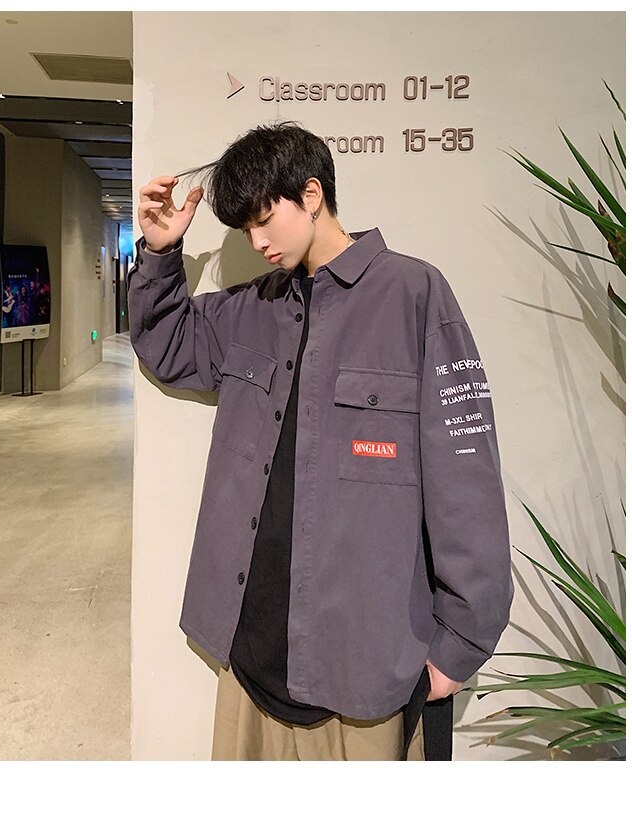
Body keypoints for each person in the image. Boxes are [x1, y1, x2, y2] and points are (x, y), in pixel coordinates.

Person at [126, 121, 514, 760]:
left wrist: (461, 643)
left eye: (263, 220)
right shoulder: (252, 308)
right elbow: (167, 344)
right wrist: (161, 252)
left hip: (361, 668)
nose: (257, 242)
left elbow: (465, 478)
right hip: (249, 653)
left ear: (311, 195)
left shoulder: (413, 295)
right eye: (245, 229)